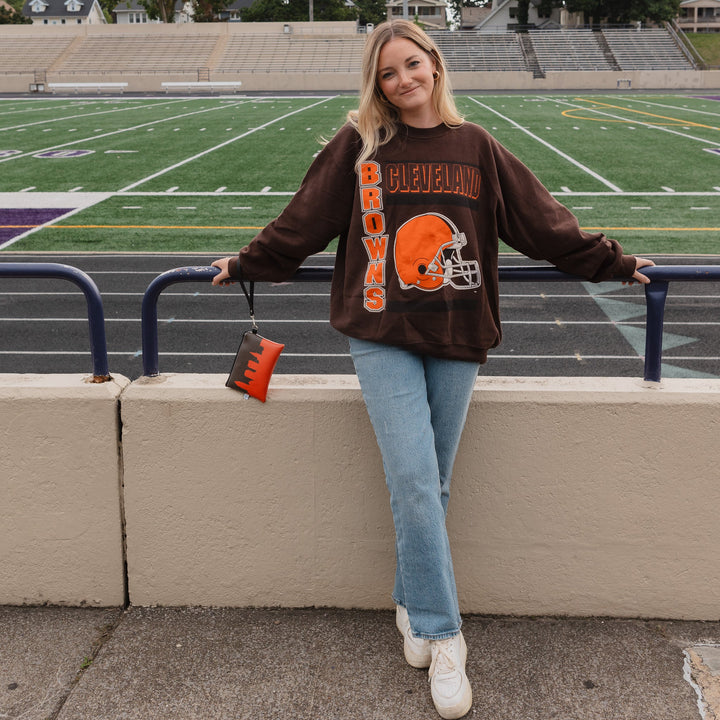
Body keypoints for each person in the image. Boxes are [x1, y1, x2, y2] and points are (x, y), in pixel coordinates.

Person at [211, 19, 655, 719]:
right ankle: (445, 639)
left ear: (435, 65)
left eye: (412, 65)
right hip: (380, 332)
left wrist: (613, 261)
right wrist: (249, 262)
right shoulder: (360, 146)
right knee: (415, 480)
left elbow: (541, 223)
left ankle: (411, 601)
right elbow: (303, 221)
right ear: (377, 84)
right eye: (388, 73)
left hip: (457, 330)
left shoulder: (476, 147)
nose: (403, 81)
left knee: (433, 483)